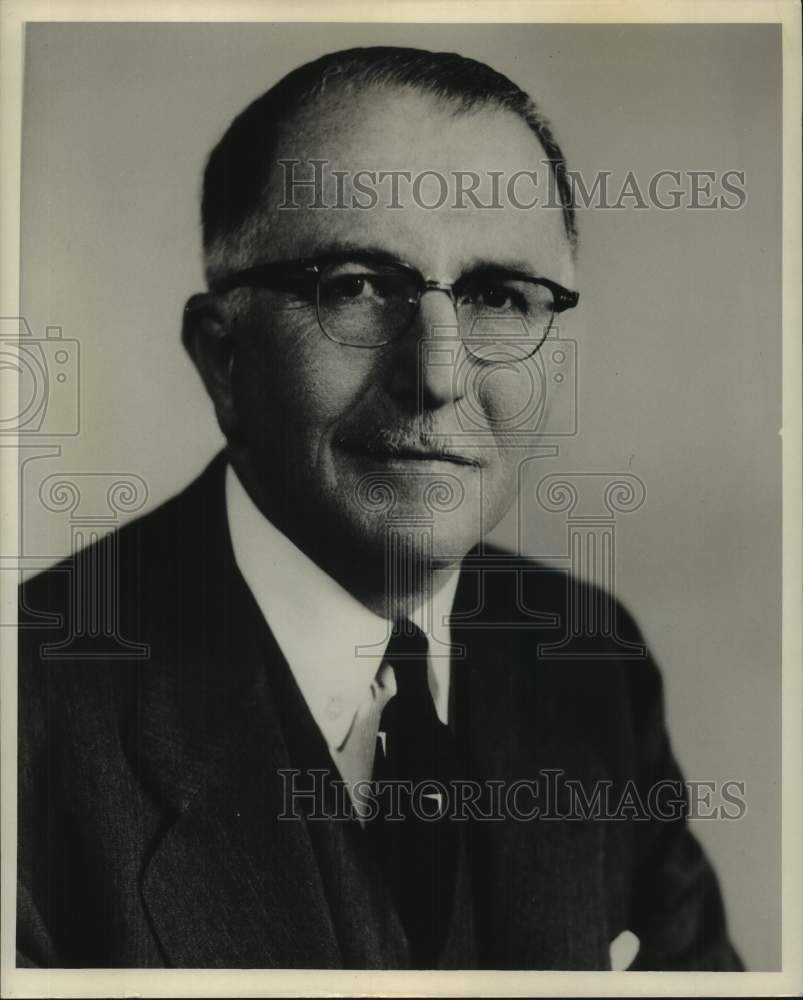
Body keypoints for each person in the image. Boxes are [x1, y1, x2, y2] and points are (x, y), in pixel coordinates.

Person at [17, 46, 743, 970]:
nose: (437, 374)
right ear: (224, 360)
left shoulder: (590, 665)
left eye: (496, 297)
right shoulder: (30, 720)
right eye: (355, 286)